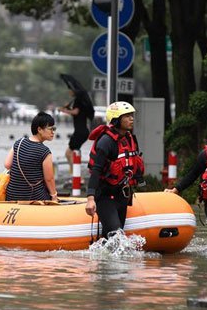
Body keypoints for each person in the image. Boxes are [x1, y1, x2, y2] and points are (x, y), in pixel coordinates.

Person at [85, 102, 145, 238]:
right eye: (127, 116)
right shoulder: (106, 142)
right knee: (117, 236)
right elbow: (96, 171)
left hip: (121, 196)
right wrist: (90, 198)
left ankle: (103, 260)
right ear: (116, 119)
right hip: (105, 197)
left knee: (111, 237)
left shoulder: (129, 138)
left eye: (132, 116)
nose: (132, 119)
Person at [4, 112, 58, 201]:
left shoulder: (19, 142)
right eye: (51, 129)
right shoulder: (45, 151)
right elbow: (49, 179)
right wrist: (54, 195)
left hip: (11, 195)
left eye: (54, 128)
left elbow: (7, 164)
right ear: (39, 129)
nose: (53, 132)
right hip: (33, 196)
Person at [59, 89, 93, 173]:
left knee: (68, 153)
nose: (69, 91)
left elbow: (76, 112)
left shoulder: (78, 100)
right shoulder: (81, 101)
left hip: (79, 132)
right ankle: (77, 176)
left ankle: (77, 175)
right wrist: (67, 107)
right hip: (84, 132)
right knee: (76, 152)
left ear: (75, 91)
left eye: (70, 90)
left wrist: (64, 110)